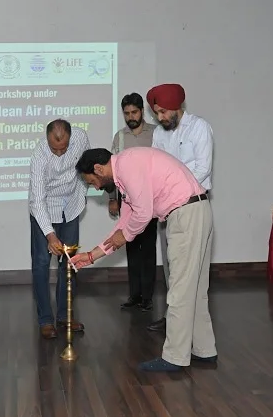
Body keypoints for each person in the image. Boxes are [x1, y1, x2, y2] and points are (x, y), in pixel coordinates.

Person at [71, 147, 216, 372]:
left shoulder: (128, 165)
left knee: (179, 290)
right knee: (195, 290)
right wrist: (91, 256)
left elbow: (143, 214)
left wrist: (125, 236)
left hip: (185, 215)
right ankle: (204, 350)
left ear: (98, 169)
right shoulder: (125, 174)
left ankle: (175, 357)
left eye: (92, 182)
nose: (97, 188)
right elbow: (122, 226)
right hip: (196, 210)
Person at [147, 83, 214, 339]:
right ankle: (197, 342)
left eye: (164, 112)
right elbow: (155, 170)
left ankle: (179, 346)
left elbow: (202, 169)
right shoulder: (159, 134)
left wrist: (171, 189)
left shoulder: (199, 128)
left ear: (177, 106)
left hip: (191, 207)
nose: (160, 117)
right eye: (157, 113)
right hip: (169, 211)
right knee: (173, 273)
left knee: (189, 282)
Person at [28, 119, 90, 339]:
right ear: (47, 140)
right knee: (41, 265)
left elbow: (86, 166)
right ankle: (45, 319)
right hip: (45, 209)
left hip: (71, 206)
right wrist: (50, 235)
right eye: (54, 149)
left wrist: (82, 194)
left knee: (70, 263)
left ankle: (65, 316)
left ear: (70, 138)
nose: (59, 153)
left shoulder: (81, 138)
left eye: (63, 148)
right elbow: (37, 200)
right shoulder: (39, 156)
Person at [109, 93, 157, 311]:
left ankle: (147, 297)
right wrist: (112, 198)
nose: (131, 117)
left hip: (150, 199)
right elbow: (113, 171)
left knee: (147, 248)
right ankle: (134, 295)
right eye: (127, 113)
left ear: (142, 112)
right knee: (131, 246)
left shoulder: (155, 134)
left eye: (134, 112)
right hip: (127, 201)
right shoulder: (119, 137)